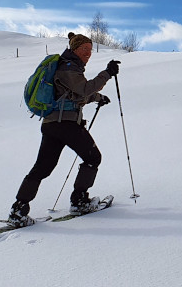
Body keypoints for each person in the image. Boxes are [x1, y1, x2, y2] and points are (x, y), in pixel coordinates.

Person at [8, 32, 120, 226]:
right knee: (93, 158)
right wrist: (107, 74)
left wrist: (98, 98)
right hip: (66, 125)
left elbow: (75, 95)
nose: (88, 53)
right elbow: (84, 89)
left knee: (43, 167)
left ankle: (18, 210)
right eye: (84, 49)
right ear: (74, 49)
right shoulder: (68, 66)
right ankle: (79, 202)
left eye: (90, 50)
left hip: (52, 125)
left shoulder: (68, 67)